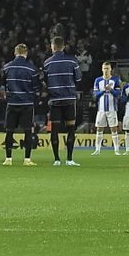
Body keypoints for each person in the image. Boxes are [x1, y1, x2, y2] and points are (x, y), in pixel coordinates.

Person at [43, 36, 82, 166]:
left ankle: (57, 160)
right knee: (71, 128)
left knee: (55, 129)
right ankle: (69, 159)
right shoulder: (72, 61)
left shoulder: (47, 63)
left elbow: (45, 80)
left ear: (52, 47)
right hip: (69, 99)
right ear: (64, 47)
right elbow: (79, 78)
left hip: (55, 100)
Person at [2, 43, 38, 166]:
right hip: (27, 103)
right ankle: (27, 159)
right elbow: (36, 87)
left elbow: (3, 84)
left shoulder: (7, 67)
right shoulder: (32, 69)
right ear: (26, 53)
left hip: (12, 103)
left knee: (9, 131)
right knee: (28, 131)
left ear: (15, 53)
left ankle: (8, 159)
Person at [91, 62, 122, 156]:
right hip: (101, 109)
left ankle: (116, 150)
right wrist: (104, 90)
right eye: (104, 68)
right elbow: (95, 96)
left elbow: (118, 94)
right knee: (99, 129)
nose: (106, 70)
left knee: (114, 129)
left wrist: (111, 90)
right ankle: (97, 150)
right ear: (102, 69)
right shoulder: (98, 80)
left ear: (111, 69)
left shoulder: (115, 80)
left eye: (107, 68)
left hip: (112, 109)